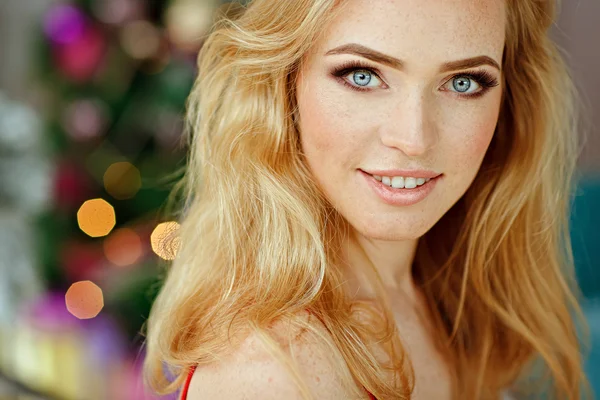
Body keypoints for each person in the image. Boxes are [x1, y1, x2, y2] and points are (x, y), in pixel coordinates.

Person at [142, 0, 590, 398]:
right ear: (284, 81)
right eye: (363, 75)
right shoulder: (274, 374)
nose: (414, 139)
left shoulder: (451, 300)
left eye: (463, 83)